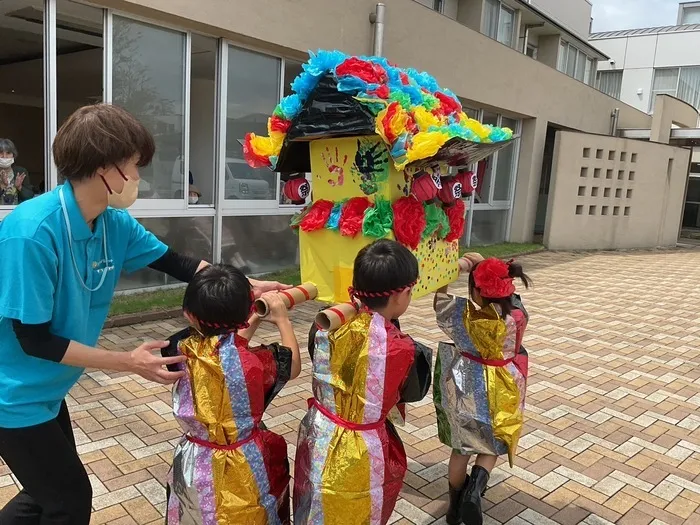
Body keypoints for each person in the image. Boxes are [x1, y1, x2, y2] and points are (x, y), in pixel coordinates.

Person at [0, 104, 289, 525]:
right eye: (134, 166)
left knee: (46, 493)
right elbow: (35, 340)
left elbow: (183, 265)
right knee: (69, 499)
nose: (138, 176)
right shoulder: (32, 234)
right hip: (13, 395)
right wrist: (127, 362)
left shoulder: (113, 223)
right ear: (105, 168)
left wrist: (246, 288)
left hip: (47, 390)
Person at [293, 239, 432, 525]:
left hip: (319, 432)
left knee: (315, 502)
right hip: (364, 448)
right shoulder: (405, 349)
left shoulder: (323, 325)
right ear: (401, 294)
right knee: (359, 510)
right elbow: (410, 393)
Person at [165, 264, 300, 525]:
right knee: (249, 513)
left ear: (188, 315)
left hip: (196, 460)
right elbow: (291, 366)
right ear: (247, 311)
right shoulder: (254, 362)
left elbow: (224, 344)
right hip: (244, 460)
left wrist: (255, 317)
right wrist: (282, 320)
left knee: (196, 513)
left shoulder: (180, 351)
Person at [433, 255, 531, 525]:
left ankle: (454, 506)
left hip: (466, 385)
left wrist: (453, 272)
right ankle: (475, 490)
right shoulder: (518, 316)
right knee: (492, 443)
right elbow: (511, 298)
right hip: (503, 385)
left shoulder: (462, 313)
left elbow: (438, 301)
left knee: (461, 449)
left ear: (476, 290)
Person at [0, 138, 34, 204]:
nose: (4, 156)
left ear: (13, 155)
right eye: (1, 153)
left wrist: (19, 187)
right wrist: (2, 186)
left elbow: (29, 197)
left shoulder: (21, 172)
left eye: (8, 153)